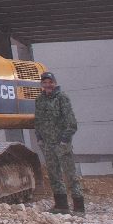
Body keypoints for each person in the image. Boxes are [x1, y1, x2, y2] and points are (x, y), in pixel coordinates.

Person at [34, 71, 83, 214]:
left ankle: (79, 207)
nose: (47, 85)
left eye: (50, 82)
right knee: (54, 174)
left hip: (61, 143)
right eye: (45, 83)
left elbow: (71, 123)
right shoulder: (40, 100)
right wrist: (39, 138)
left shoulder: (62, 98)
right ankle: (61, 205)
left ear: (54, 83)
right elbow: (38, 120)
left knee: (70, 175)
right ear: (42, 84)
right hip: (48, 144)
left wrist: (64, 140)